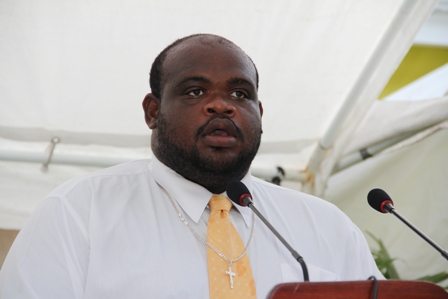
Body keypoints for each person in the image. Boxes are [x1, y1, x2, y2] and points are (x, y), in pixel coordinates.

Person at [0, 34, 383, 298]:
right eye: (195, 91)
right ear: (153, 112)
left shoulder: (325, 226)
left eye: (240, 93)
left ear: (259, 114)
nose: (222, 105)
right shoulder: (78, 214)